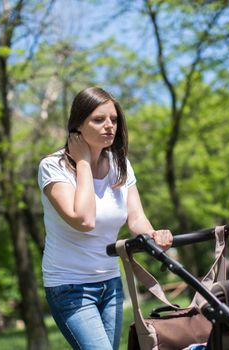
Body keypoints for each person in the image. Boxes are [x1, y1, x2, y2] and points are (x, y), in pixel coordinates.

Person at [38, 87, 173, 350]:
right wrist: (84, 163)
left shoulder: (120, 163)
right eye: (98, 120)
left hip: (111, 283)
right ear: (77, 125)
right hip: (70, 288)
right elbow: (84, 219)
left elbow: (136, 218)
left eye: (113, 119)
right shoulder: (53, 167)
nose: (109, 126)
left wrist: (154, 235)